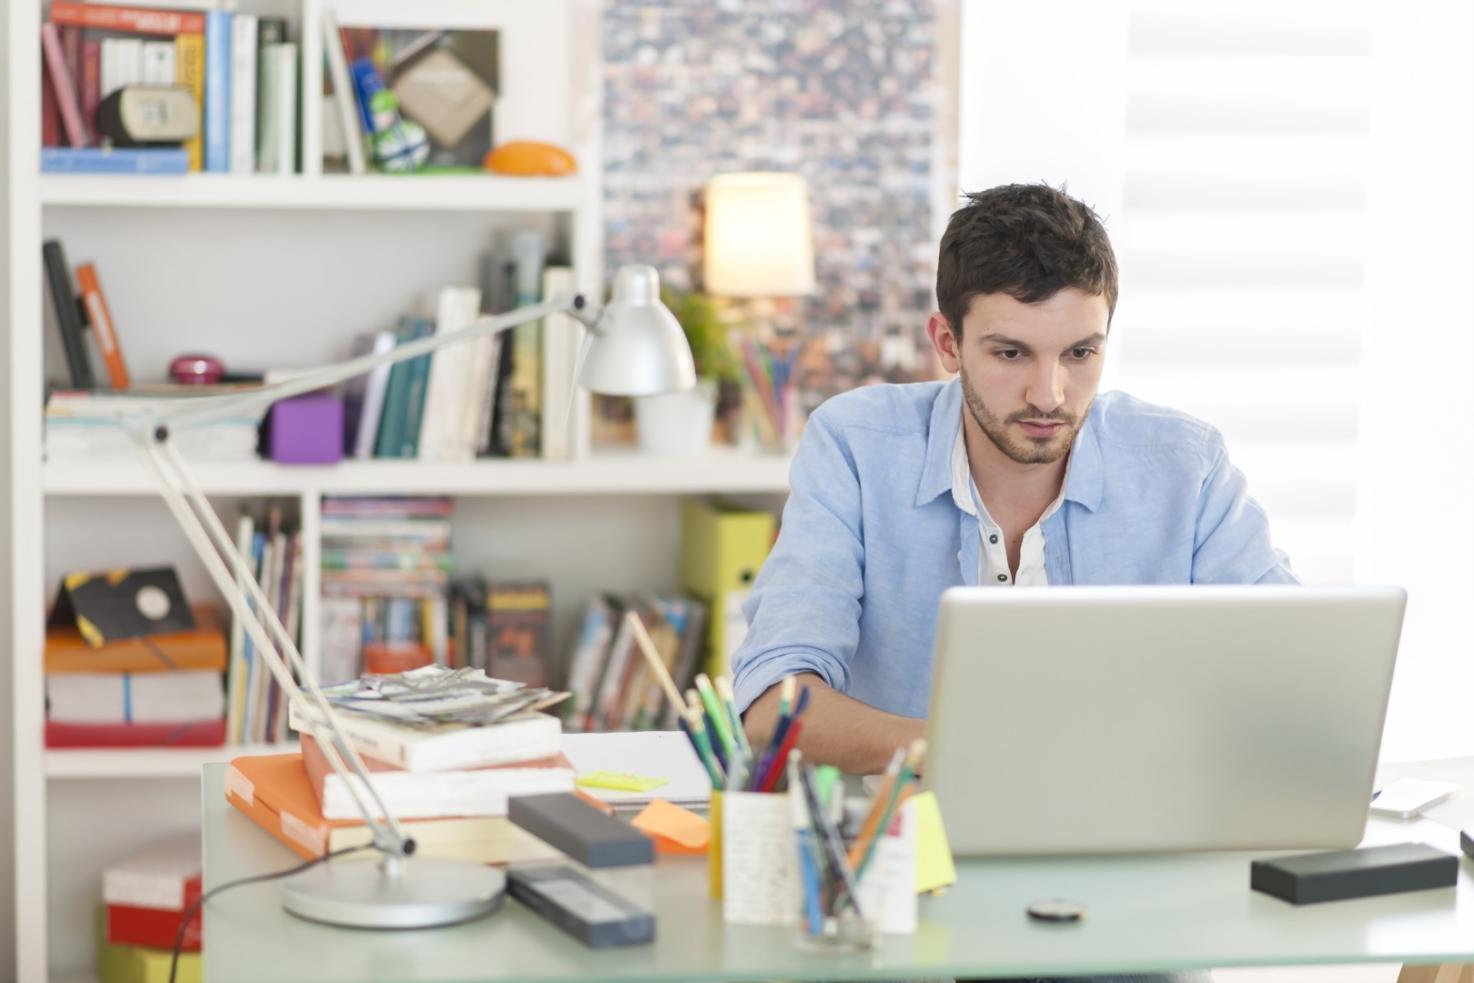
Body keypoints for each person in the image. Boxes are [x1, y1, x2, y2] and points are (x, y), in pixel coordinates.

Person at [732, 182, 1295, 778]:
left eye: (1080, 354)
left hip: (1134, 811)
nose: (1048, 396)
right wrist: (968, 752)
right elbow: (773, 703)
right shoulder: (856, 446)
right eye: (1011, 354)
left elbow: (1291, 668)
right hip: (909, 824)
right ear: (948, 343)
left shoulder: (1185, 463)